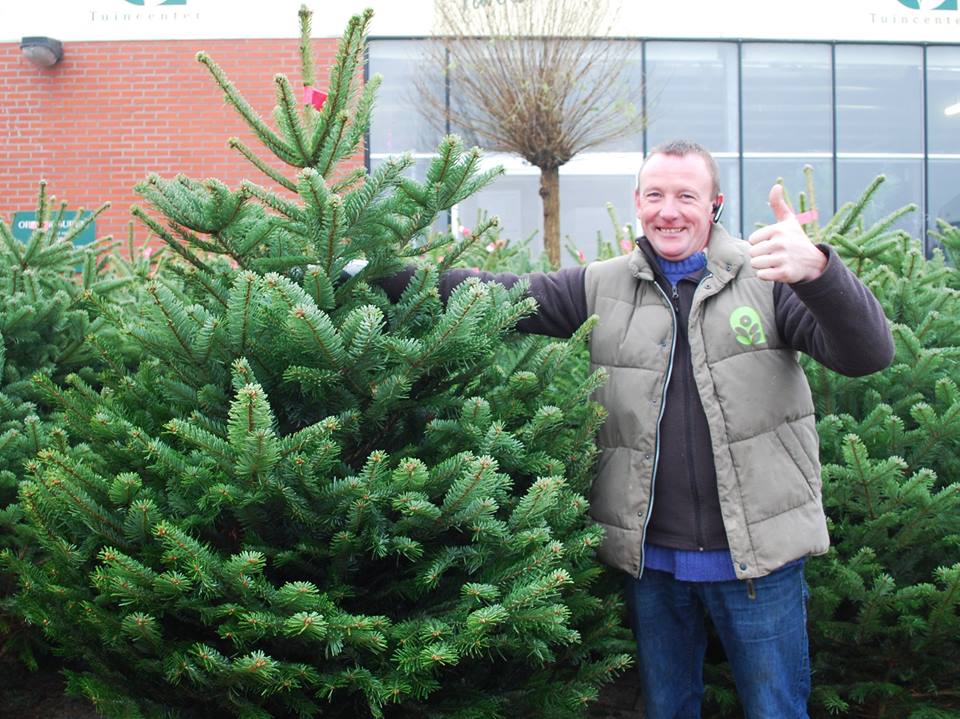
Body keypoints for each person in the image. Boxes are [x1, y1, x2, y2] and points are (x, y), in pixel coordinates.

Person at [380, 139, 895, 718]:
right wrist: (365, 274)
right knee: (666, 709)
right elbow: (497, 293)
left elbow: (868, 353)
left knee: (775, 708)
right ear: (637, 203)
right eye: (655, 195)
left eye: (686, 196)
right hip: (654, 565)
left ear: (715, 204)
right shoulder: (602, 285)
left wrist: (821, 273)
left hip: (760, 559)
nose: (668, 210)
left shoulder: (770, 280)